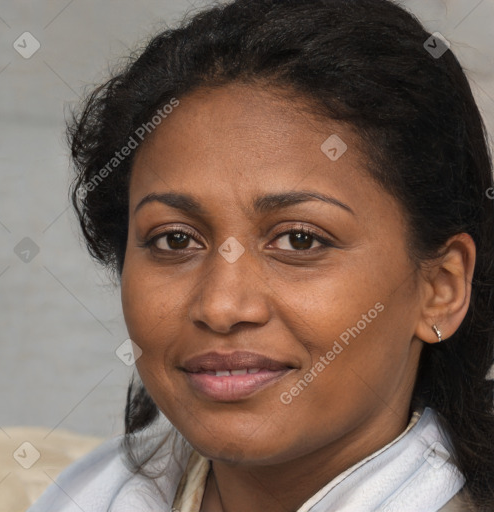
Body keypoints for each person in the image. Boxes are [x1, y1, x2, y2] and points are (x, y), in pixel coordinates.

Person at [28, 0, 494, 510]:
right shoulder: (88, 494)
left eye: (300, 240)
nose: (222, 307)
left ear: (440, 289)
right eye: (175, 239)